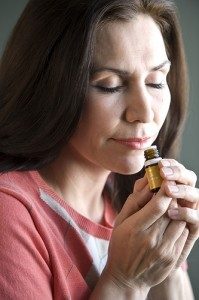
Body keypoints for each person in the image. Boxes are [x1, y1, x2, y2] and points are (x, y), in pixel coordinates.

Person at [0, 0, 198, 299]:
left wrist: (170, 259)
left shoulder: (133, 200)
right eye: (110, 85)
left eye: (156, 81)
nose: (144, 112)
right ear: (50, 87)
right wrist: (126, 282)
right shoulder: (10, 214)